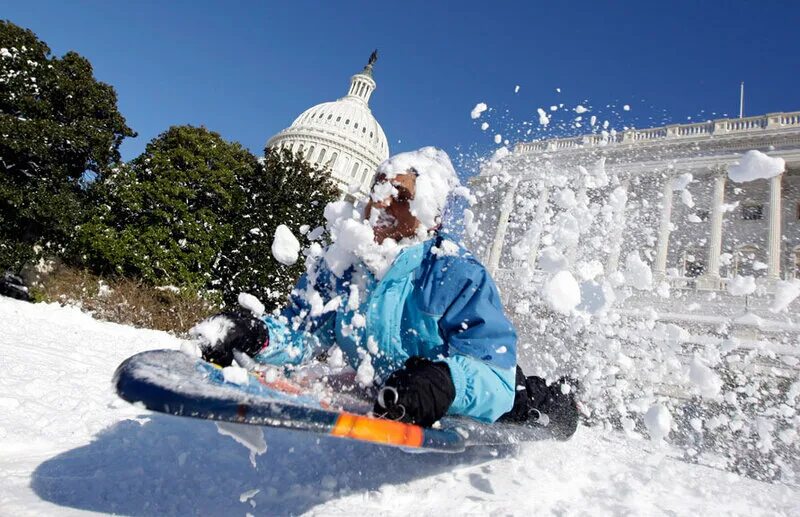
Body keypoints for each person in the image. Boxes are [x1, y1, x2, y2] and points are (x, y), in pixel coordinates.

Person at [192, 147, 579, 439]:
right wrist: (256, 335)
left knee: (534, 401)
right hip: (395, 389)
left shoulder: (456, 271)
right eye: (377, 190)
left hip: (472, 388)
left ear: (433, 216)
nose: (379, 204)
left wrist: (442, 382)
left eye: (400, 197)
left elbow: (494, 375)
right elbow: (303, 333)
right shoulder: (342, 265)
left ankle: (566, 399)